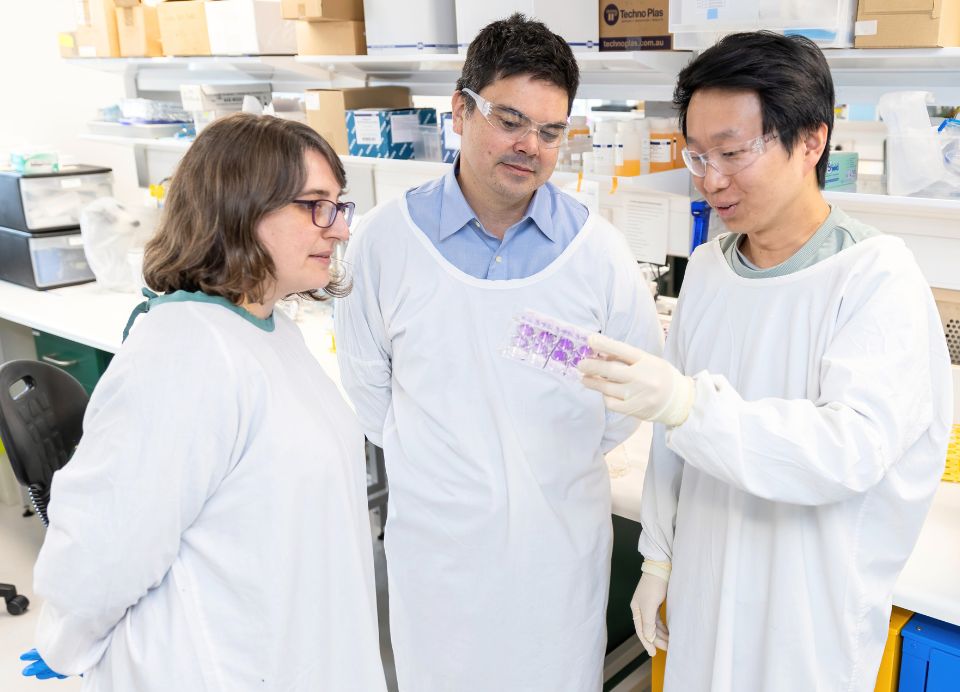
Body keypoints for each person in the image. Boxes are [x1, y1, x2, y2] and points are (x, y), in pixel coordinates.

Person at [578, 31, 953, 691]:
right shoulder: (708, 269)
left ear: (810, 140)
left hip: (803, 620)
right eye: (697, 154)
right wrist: (660, 559)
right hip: (702, 592)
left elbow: (851, 450)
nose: (710, 179)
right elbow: (675, 442)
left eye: (731, 152)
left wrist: (691, 406)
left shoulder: (874, 277)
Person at [334, 13, 662, 692]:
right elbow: (369, 389)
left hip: (558, 552)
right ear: (460, 110)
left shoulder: (595, 253)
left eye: (549, 131)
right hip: (439, 553)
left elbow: (627, 396)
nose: (530, 147)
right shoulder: (385, 243)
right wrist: (455, 473)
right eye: (510, 121)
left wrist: (538, 465)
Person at [21, 113, 387, 692]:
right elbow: (108, 542)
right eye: (315, 204)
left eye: (338, 206)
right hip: (218, 663)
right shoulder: (185, 349)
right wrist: (64, 638)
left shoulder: (270, 327)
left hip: (293, 646)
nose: (339, 229)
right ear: (241, 207)